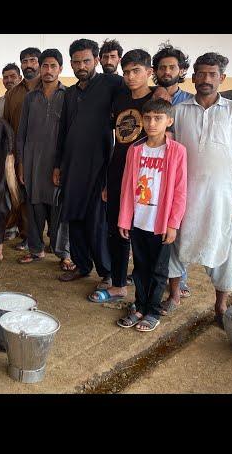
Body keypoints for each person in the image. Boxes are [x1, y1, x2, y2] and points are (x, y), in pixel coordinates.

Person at [160, 53, 232, 326]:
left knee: (223, 246)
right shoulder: (179, 112)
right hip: (184, 194)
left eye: (212, 74)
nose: (206, 79)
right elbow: (169, 152)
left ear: (222, 78)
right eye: (201, 74)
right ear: (193, 77)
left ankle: (221, 304)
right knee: (176, 243)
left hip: (221, 195)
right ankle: (175, 295)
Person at [53, 39, 124, 289]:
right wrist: (57, 165)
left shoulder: (111, 83)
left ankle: (107, 272)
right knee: (74, 218)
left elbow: (135, 98)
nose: (81, 66)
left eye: (86, 61)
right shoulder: (70, 94)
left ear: (96, 60)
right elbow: (62, 132)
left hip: (99, 166)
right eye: (76, 62)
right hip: (72, 167)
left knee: (97, 222)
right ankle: (82, 266)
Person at [116, 99, 187, 331]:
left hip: (161, 223)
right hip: (139, 220)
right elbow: (127, 187)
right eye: (147, 118)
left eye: (158, 118)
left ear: (169, 121)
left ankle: (153, 311)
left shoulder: (177, 151)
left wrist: (173, 223)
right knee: (139, 268)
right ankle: (139, 306)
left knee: (158, 271)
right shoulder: (135, 150)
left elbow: (180, 190)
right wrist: (124, 219)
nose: (152, 123)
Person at [89, 49, 154, 303]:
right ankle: (118, 285)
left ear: (149, 73)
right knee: (117, 232)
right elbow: (115, 142)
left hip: (146, 178)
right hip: (117, 172)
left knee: (143, 234)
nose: (130, 76)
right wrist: (107, 179)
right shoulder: (119, 101)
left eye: (136, 71)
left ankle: (145, 294)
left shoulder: (155, 103)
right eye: (126, 72)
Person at [15, 49, 73, 270]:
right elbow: (21, 134)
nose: (48, 71)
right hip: (33, 163)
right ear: (40, 68)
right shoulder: (31, 98)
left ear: (60, 68)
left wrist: (65, 164)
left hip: (57, 164)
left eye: (53, 66)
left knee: (59, 209)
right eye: (45, 66)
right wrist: (21, 163)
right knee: (34, 207)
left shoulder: (67, 95)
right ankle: (36, 249)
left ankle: (64, 254)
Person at [151, 43, 194, 298]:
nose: (167, 71)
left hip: (179, 175)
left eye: (172, 67)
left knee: (176, 231)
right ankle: (155, 276)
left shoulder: (189, 103)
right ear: (155, 70)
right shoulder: (151, 99)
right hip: (154, 175)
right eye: (162, 67)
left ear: (181, 70)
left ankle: (179, 283)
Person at [3, 47, 42, 250]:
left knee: (49, 200)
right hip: (21, 156)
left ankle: (54, 241)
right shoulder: (13, 94)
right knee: (24, 199)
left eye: (33, 60)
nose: (28, 65)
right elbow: (7, 124)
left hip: (47, 155)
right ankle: (28, 237)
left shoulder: (51, 88)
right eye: (25, 61)